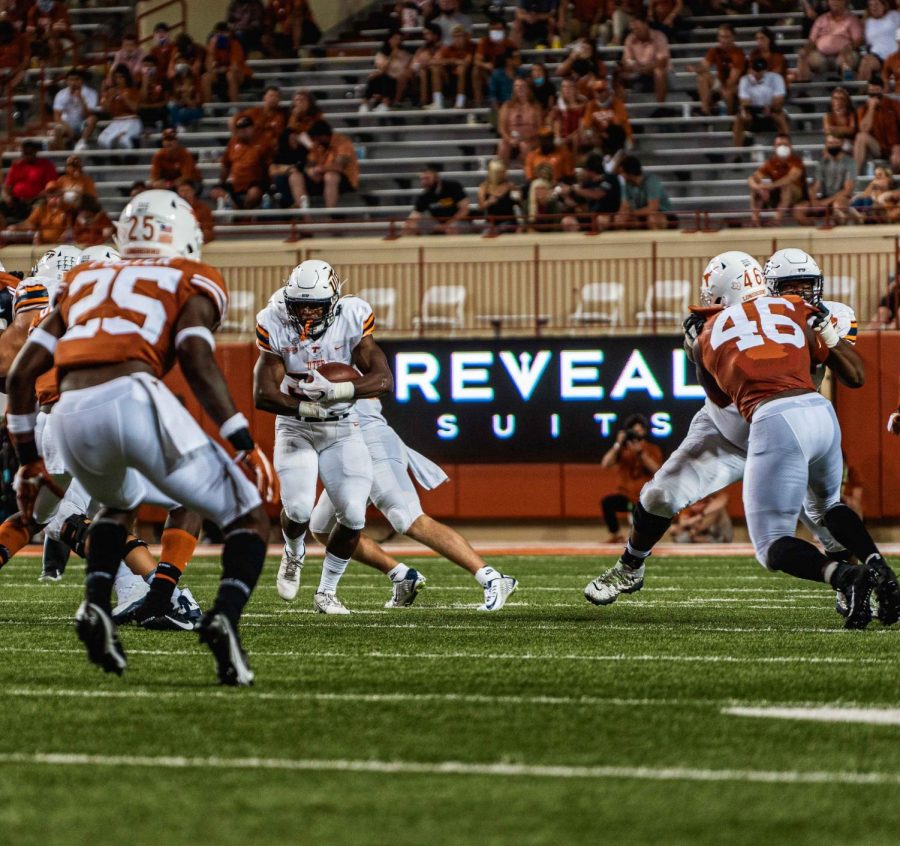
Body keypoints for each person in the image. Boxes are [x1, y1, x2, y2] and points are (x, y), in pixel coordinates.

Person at [6, 190, 277, 683]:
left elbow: (21, 375)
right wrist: (241, 439)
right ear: (182, 234)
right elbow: (196, 357)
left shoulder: (81, 278)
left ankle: (96, 606)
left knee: (117, 502)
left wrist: (27, 461)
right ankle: (223, 620)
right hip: (130, 392)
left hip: (68, 411)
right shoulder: (190, 276)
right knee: (249, 514)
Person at [584, 249, 875, 623]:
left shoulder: (806, 316)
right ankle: (630, 567)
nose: (800, 294)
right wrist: (697, 349)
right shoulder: (722, 325)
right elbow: (717, 394)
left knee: (828, 522)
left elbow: (852, 372)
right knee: (658, 494)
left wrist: (826, 333)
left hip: (784, 432)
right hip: (727, 430)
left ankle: (851, 585)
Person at [690, 257, 897, 630]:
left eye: (806, 284)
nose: (801, 292)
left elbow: (720, 400)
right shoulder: (801, 313)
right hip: (820, 414)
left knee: (771, 543)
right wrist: (823, 332)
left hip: (776, 419)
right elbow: (854, 375)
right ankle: (877, 568)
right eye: (794, 284)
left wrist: (696, 350)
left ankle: (846, 578)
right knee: (829, 505)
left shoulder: (716, 327)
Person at [254, 260, 390, 614]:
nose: (309, 313)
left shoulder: (352, 316)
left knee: (354, 515)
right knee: (297, 508)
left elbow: (383, 379)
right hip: (296, 425)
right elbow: (263, 394)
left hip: (342, 427)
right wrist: (308, 409)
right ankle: (293, 551)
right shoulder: (273, 321)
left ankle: (326, 592)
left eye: (316, 304)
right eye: (300, 305)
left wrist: (340, 390)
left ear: (334, 300)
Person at [309, 398, 518, 611]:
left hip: (371, 441)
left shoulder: (347, 365)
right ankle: (402, 576)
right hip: (348, 451)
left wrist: (339, 388)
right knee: (321, 528)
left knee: (407, 519)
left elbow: (380, 380)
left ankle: (492, 578)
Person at [599, 414, 663, 543]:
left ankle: (639, 539)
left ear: (645, 431)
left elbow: (657, 471)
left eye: (640, 431)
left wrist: (641, 453)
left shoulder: (652, 449)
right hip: (626, 495)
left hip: (644, 496)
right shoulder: (622, 450)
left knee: (640, 525)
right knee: (607, 502)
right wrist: (618, 444)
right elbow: (605, 464)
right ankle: (616, 535)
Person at [288, 120, 359, 210]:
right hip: (320, 178)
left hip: (343, 180)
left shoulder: (343, 142)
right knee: (295, 177)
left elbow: (339, 166)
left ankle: (329, 215)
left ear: (324, 136)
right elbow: (310, 164)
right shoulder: (317, 144)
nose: (315, 141)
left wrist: (320, 169)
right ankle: (305, 217)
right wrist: (310, 171)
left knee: (330, 176)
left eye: (317, 138)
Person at [748, 135, 810, 227]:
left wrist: (770, 186)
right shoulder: (770, 162)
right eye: (779, 144)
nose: (782, 147)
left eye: (785, 144)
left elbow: (790, 178)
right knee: (756, 188)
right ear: (774, 147)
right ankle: (755, 220)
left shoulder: (796, 161)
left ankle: (777, 220)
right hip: (778, 195)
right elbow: (752, 178)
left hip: (798, 197)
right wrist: (759, 187)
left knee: (786, 185)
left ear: (790, 146)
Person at [213, 114, 271, 210]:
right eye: (240, 128)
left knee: (254, 193)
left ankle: (244, 212)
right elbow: (226, 165)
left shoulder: (263, 143)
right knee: (215, 191)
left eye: (246, 127)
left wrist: (267, 183)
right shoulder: (232, 143)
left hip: (255, 183)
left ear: (252, 128)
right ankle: (235, 208)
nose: (243, 130)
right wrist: (221, 183)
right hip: (235, 184)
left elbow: (268, 165)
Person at [797, 0, 863, 82]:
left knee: (848, 57)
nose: (834, 2)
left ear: (844, 2)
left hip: (843, 54)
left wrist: (849, 47)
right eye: (831, 0)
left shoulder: (852, 19)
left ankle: (848, 85)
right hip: (821, 57)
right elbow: (812, 40)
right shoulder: (821, 19)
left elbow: (858, 40)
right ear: (828, 3)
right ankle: (803, 88)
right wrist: (807, 49)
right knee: (803, 53)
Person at [732, 57, 789, 150]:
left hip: (771, 112)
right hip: (752, 112)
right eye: (754, 70)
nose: (756, 73)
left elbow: (779, 100)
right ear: (751, 69)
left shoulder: (776, 78)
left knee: (780, 116)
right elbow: (744, 101)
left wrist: (770, 109)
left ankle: (786, 147)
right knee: (740, 118)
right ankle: (737, 153)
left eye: (760, 71)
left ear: (765, 70)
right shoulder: (744, 80)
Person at [692, 23, 745, 116]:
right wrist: (695, 68)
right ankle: (705, 111)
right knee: (702, 77)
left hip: (737, 85)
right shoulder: (714, 50)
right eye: (721, 37)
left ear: (733, 37)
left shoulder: (738, 54)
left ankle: (730, 118)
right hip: (721, 82)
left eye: (727, 37)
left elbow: (732, 80)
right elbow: (704, 66)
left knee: (728, 92)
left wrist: (721, 91)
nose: (724, 40)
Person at [0, 141, 58, 225]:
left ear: (35, 152)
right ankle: (4, 231)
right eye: (25, 153)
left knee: (39, 206)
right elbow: (7, 186)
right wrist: (8, 197)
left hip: (36, 199)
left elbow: (51, 187)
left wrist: (34, 198)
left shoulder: (46, 165)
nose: (27, 156)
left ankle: (25, 229)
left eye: (29, 153)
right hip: (16, 200)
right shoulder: (16, 166)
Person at [404, 162, 469, 234]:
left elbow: (464, 210)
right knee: (409, 225)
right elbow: (415, 214)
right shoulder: (425, 196)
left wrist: (447, 225)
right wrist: (409, 223)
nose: (423, 182)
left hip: (458, 221)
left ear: (436, 178)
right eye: (422, 179)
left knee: (451, 228)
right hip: (438, 223)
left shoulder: (453, 186)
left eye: (427, 178)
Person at [853, 75, 900, 173]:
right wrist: (871, 108)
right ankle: (855, 177)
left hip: (895, 145)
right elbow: (864, 129)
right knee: (861, 137)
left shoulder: (894, 105)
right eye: (871, 90)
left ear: (882, 90)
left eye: (876, 90)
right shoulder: (863, 109)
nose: (873, 93)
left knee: (897, 160)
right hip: (878, 147)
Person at [620, 13, 670, 104]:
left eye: (638, 29)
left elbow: (662, 61)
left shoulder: (659, 36)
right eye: (633, 29)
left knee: (659, 71)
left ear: (645, 25)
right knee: (618, 72)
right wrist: (633, 65)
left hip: (659, 73)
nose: (635, 32)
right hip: (639, 72)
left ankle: (661, 106)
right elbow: (626, 60)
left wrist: (646, 68)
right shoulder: (630, 38)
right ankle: (622, 108)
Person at [810, 132, 857, 222]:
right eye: (830, 143)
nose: (833, 146)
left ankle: (840, 233)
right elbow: (815, 186)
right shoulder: (822, 162)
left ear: (842, 144)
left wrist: (826, 202)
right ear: (826, 144)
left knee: (837, 206)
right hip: (825, 197)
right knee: (800, 209)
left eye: (836, 143)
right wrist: (813, 200)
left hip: (843, 198)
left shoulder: (850, 162)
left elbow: (847, 190)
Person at [616, 155, 671, 231]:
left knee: (652, 219)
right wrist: (621, 216)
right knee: (621, 220)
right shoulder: (627, 184)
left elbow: (653, 208)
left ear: (630, 173)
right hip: (640, 213)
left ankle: (656, 241)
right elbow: (624, 205)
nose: (621, 175)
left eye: (622, 172)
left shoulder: (652, 181)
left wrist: (631, 213)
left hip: (662, 213)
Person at [496, 76, 543, 164]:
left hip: (530, 139)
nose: (519, 88)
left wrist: (527, 137)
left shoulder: (535, 106)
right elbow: (501, 128)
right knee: (502, 146)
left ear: (528, 89)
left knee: (524, 145)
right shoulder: (507, 106)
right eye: (516, 86)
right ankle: (501, 174)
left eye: (522, 86)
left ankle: (528, 174)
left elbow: (539, 127)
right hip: (511, 139)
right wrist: (510, 139)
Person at [50, 68, 98, 152]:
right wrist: (67, 127)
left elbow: (87, 114)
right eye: (71, 80)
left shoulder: (91, 93)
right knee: (57, 128)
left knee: (93, 119)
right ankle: (63, 155)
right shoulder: (61, 94)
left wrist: (80, 98)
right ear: (67, 81)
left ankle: (81, 143)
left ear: (82, 80)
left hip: (83, 123)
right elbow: (57, 117)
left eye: (77, 79)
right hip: (66, 123)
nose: (73, 82)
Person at [202, 22, 251, 104]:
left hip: (239, 74)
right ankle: (209, 108)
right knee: (205, 78)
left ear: (229, 34)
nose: (221, 35)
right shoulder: (212, 46)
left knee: (230, 75)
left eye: (224, 32)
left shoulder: (235, 44)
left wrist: (221, 69)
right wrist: (212, 49)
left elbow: (235, 67)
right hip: (220, 73)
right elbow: (209, 68)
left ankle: (235, 106)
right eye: (218, 33)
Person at [580, 78, 632, 155]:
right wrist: (593, 135)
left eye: (601, 91)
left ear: (607, 91)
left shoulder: (617, 103)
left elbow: (618, 126)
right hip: (601, 140)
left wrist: (602, 134)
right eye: (597, 91)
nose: (599, 94)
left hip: (618, 140)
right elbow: (587, 126)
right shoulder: (591, 105)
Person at [97, 64, 143, 150]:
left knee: (123, 140)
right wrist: (110, 97)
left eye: (121, 77)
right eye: (116, 77)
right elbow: (105, 110)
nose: (118, 80)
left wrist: (124, 97)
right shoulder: (111, 92)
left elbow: (135, 108)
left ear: (126, 78)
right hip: (116, 121)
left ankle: (129, 161)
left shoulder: (133, 90)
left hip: (131, 121)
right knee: (102, 140)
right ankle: (114, 160)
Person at [428, 24, 474, 110]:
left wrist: (456, 63)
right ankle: (438, 102)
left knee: (461, 69)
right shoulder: (449, 48)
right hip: (451, 78)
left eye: (460, 36)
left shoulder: (471, 46)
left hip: (468, 79)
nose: (457, 39)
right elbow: (433, 61)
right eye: (455, 37)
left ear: (465, 36)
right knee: (435, 68)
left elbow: (467, 62)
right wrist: (452, 61)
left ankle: (460, 102)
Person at [472, 18, 516, 107]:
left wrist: (508, 63)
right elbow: (476, 61)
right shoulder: (484, 42)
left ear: (504, 30)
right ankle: (478, 105)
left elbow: (517, 62)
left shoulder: (510, 43)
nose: (495, 31)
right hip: (488, 73)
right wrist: (485, 65)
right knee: (476, 71)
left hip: (504, 72)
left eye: (498, 29)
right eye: (492, 29)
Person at [857, 0, 900, 82]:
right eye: (871, 5)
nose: (873, 7)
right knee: (865, 62)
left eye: (876, 4)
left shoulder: (894, 16)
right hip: (877, 56)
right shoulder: (868, 22)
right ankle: (862, 91)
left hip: (895, 55)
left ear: (884, 6)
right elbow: (865, 42)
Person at [476, 158, 520, 232]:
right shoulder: (484, 187)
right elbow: (480, 207)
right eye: (502, 172)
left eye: (505, 171)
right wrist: (489, 202)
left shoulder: (510, 186)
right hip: (491, 221)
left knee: (501, 229)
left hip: (508, 221)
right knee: (485, 231)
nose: (505, 174)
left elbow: (518, 202)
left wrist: (517, 194)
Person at [411, 22, 443, 107]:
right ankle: (423, 102)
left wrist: (426, 63)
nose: (425, 37)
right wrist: (419, 65)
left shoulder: (443, 47)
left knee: (433, 69)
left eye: (428, 34)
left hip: (441, 76)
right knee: (421, 72)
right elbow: (414, 65)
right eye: (424, 34)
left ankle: (437, 102)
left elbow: (437, 61)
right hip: (423, 75)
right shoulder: (422, 49)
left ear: (436, 35)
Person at [176, 178, 215, 243]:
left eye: (187, 191)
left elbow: (208, 230)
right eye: (181, 191)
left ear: (193, 191)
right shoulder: (173, 208)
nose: (184, 194)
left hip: (197, 242)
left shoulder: (203, 208)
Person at [137, 54, 169, 129]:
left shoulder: (163, 80)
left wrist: (150, 106)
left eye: (150, 66)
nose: (147, 68)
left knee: (164, 110)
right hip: (146, 111)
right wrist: (145, 83)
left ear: (156, 67)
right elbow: (142, 100)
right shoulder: (139, 82)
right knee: (141, 111)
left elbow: (167, 101)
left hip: (159, 108)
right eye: (145, 66)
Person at [0, 19, 28, 99]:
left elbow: (26, 60)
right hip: (1, 71)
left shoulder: (21, 39)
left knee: (22, 73)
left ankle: (7, 91)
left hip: (16, 70)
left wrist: (14, 71)